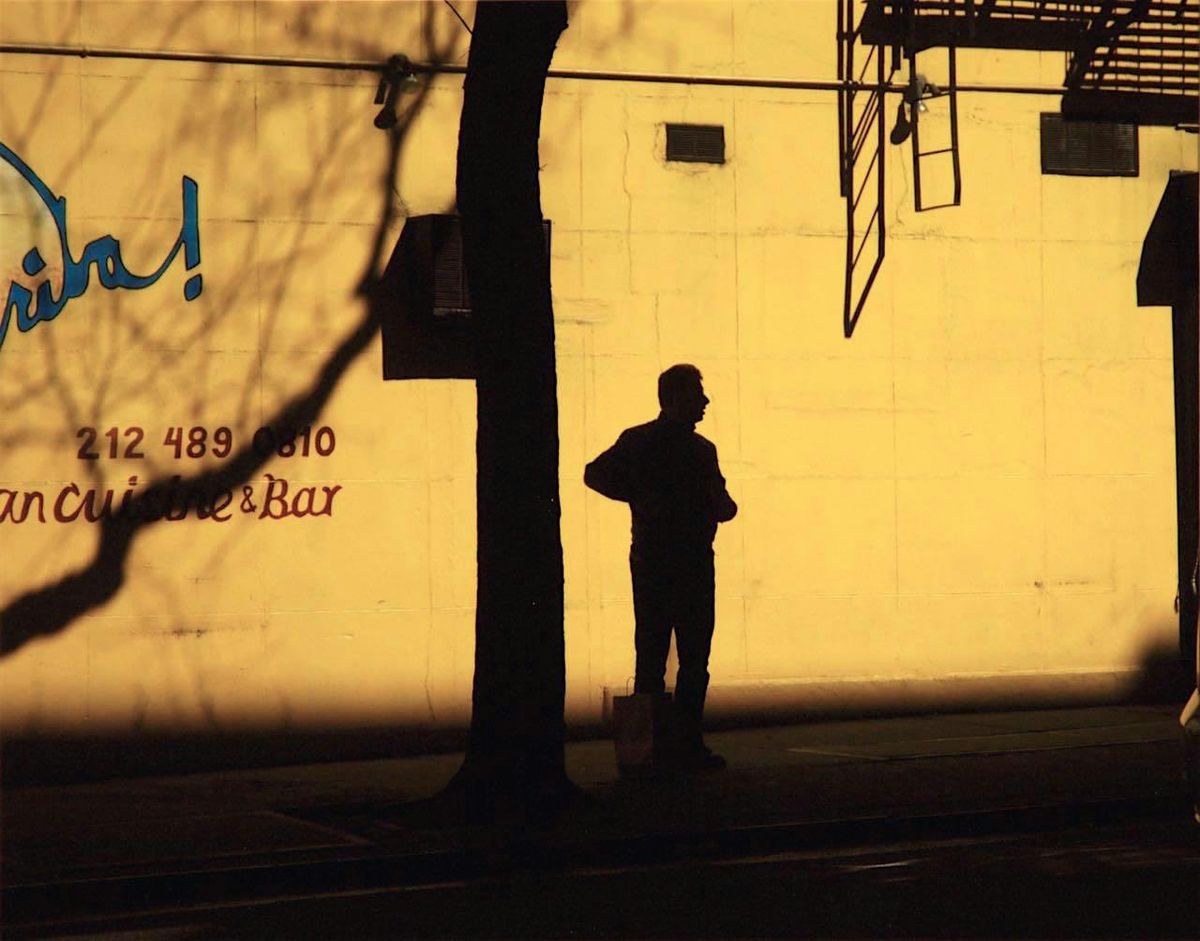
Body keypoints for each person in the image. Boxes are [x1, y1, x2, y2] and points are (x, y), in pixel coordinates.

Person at [585, 364, 737, 770]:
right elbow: (723, 505)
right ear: (675, 398)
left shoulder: (639, 441)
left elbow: (595, 474)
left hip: (653, 563)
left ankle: (647, 751)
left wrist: (641, 496)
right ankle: (688, 745)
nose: (705, 402)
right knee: (694, 660)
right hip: (692, 564)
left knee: (651, 656)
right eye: (697, 395)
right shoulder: (700, 450)